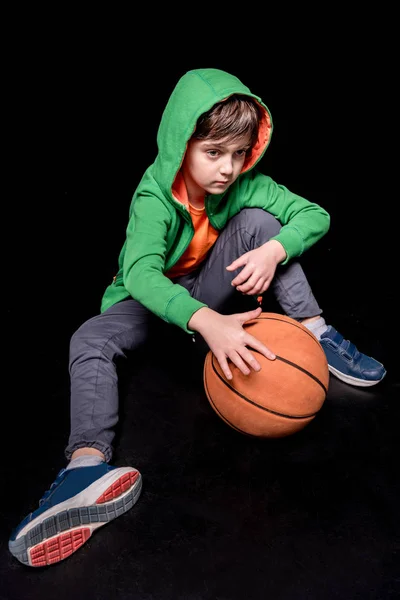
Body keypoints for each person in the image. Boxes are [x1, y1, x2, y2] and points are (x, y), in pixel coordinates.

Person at [9, 67, 386, 567]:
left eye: (237, 153)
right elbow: (141, 274)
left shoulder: (244, 185)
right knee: (88, 339)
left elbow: (316, 215)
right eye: (213, 153)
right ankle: (85, 468)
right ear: (180, 144)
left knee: (262, 224)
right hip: (150, 304)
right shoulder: (153, 197)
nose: (227, 169)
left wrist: (274, 250)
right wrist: (204, 320)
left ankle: (316, 332)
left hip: (205, 289)